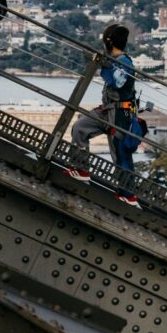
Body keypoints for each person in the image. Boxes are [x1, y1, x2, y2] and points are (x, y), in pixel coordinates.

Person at [65, 25, 144, 205]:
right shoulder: (113, 59)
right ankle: (81, 168)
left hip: (121, 113)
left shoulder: (125, 62)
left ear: (109, 41)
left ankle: (128, 194)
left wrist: (103, 64)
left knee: (120, 151)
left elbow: (118, 82)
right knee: (80, 127)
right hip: (107, 109)